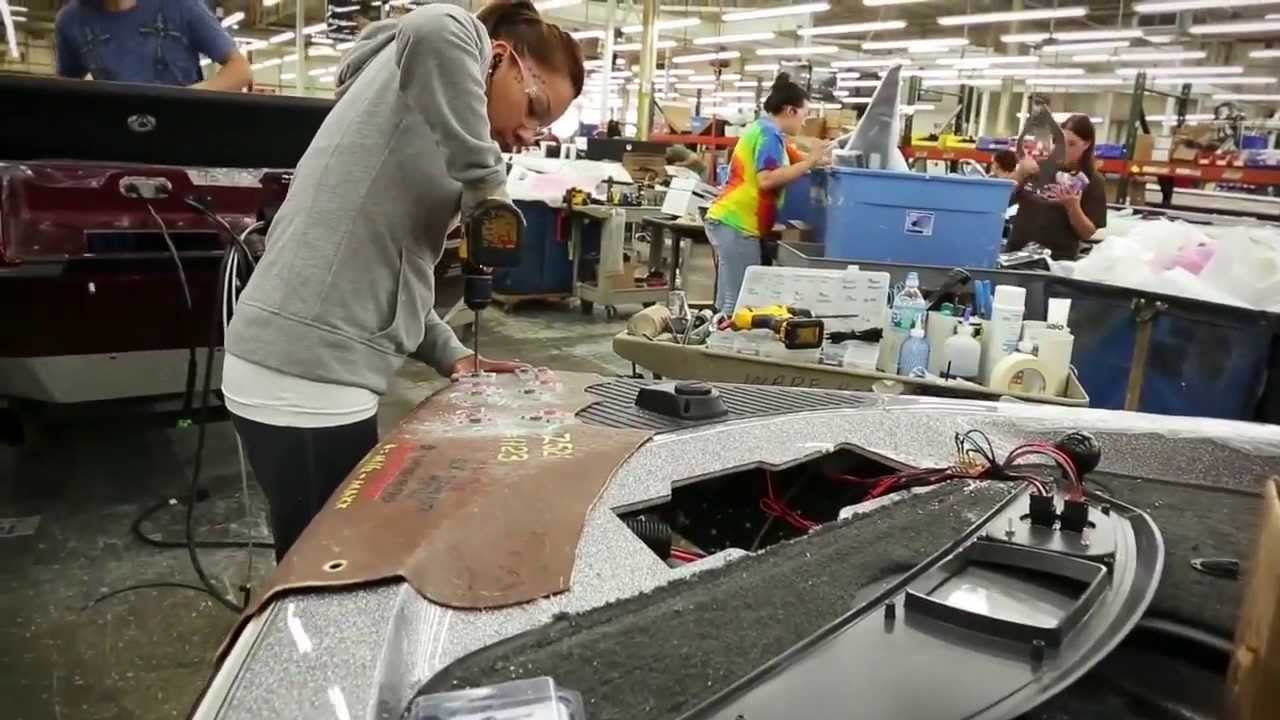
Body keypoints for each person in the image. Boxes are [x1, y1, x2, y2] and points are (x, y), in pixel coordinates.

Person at [222, 0, 584, 559]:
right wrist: (488, 186)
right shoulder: (452, 36)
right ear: (502, 58)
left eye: (547, 126)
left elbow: (394, 267)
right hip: (302, 376)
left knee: (320, 554)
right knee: (325, 569)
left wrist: (450, 352)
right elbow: (432, 26)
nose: (532, 133)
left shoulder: (426, 127)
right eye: (536, 107)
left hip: (309, 369)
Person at [703, 73, 828, 313]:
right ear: (790, 111)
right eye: (805, 114)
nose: (805, 122)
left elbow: (799, 159)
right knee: (740, 301)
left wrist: (822, 158)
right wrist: (811, 162)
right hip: (736, 223)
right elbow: (767, 179)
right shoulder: (769, 135)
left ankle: (712, 338)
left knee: (729, 299)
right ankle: (723, 345)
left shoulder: (769, 132)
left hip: (733, 221)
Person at [54, 0, 251, 91]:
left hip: (182, 131)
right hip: (116, 135)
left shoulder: (182, 5)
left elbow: (240, 70)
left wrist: (186, 98)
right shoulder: (71, 21)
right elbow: (66, 86)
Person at [1007, 114, 1107, 261]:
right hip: (1014, 255)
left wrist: (1072, 207)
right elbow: (1001, 201)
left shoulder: (1092, 181)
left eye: (1072, 144)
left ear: (1086, 144)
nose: (1064, 149)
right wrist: (1019, 174)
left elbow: (1087, 233)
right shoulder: (1037, 167)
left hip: (1055, 262)